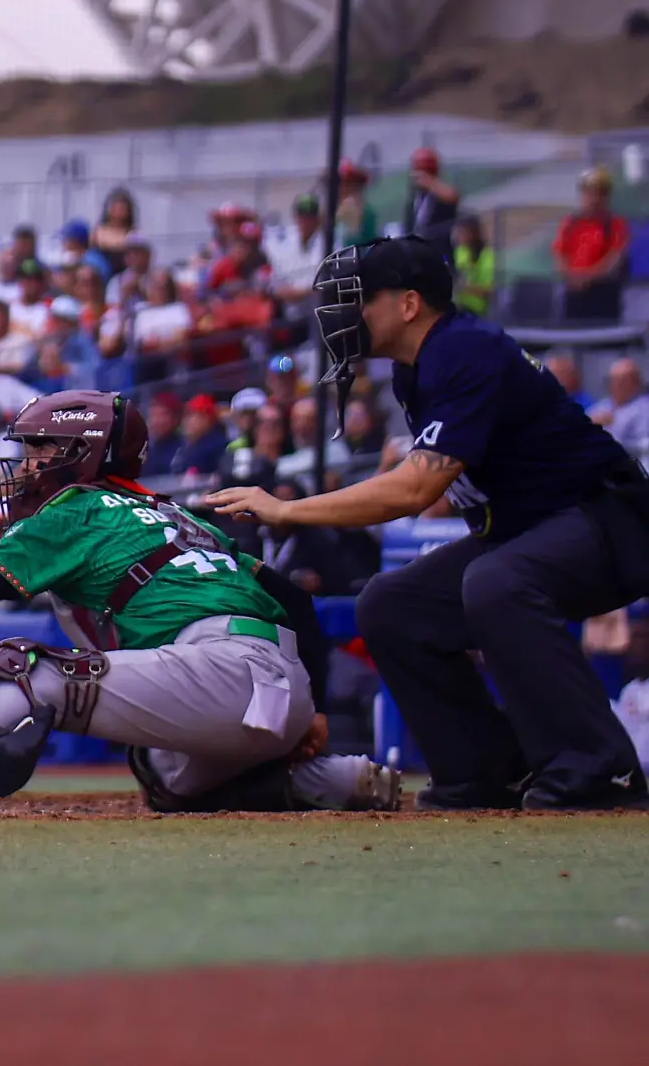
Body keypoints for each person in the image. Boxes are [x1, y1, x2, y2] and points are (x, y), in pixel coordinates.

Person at [0, 390, 398, 816]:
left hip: (222, 669)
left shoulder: (78, 507)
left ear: (86, 454)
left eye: (41, 449)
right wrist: (308, 709)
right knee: (162, 772)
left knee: (26, 667)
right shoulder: (173, 514)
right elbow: (291, 596)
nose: (25, 464)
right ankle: (328, 780)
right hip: (262, 682)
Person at [208, 236, 649, 811]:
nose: (350, 313)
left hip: (607, 521)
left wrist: (287, 508)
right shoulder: (416, 369)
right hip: (533, 531)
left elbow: (416, 488)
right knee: (392, 605)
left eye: (362, 297)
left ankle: (599, 770)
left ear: (409, 304)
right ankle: (488, 770)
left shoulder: (464, 349)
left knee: (497, 582)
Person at [552, 167, 630, 322]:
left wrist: (586, 278)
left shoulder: (615, 225)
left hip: (602, 293)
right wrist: (571, 276)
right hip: (573, 293)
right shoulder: (570, 223)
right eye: (590, 192)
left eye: (600, 193)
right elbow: (559, 254)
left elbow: (614, 260)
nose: (594, 198)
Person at [405, 147, 460, 251]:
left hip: (437, 249)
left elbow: (453, 196)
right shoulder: (416, 199)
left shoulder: (440, 196)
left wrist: (429, 182)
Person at [450, 215, 495, 316]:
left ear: (472, 233)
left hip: (477, 311)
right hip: (459, 305)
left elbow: (489, 290)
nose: (458, 235)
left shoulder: (487, 256)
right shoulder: (461, 251)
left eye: (462, 232)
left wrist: (465, 288)